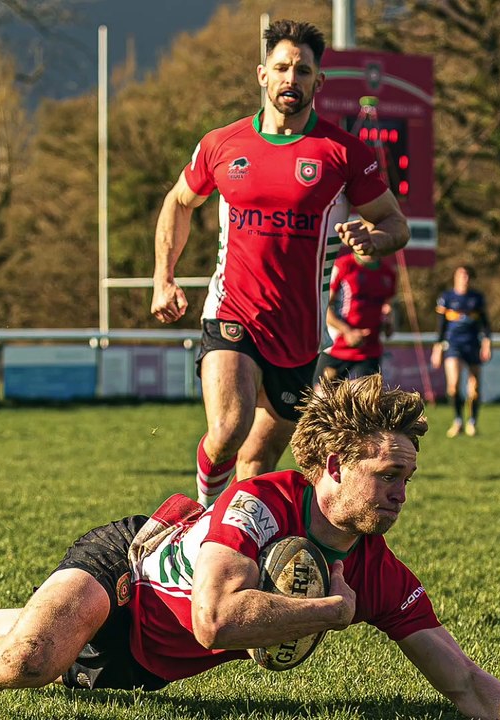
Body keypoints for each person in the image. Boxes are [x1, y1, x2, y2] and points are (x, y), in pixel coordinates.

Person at [0, 375, 500, 720]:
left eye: (410, 475)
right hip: (127, 569)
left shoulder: (377, 570)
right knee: (30, 659)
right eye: (389, 473)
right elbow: (214, 620)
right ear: (334, 465)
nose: (403, 490)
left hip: (143, 661)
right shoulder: (261, 502)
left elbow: (469, 685)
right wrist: (331, 611)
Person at [150, 19, 410, 506]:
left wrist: (374, 240)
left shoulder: (344, 153)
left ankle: (240, 541)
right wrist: (163, 279)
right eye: (282, 68)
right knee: (228, 429)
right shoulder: (222, 144)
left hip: (300, 332)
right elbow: (179, 202)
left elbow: (396, 224)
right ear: (262, 76)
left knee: (258, 458)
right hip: (231, 311)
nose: (292, 79)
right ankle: (201, 526)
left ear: (319, 82)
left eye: (303, 70)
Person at [315, 250, 397, 384]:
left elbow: (388, 311)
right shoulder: (343, 265)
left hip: (369, 351)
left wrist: (388, 324)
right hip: (336, 348)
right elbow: (324, 308)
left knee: (366, 402)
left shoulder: (388, 273)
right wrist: (348, 332)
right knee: (319, 400)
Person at [430, 266, 491, 438]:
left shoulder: (476, 298)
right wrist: (437, 348)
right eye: (461, 275)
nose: (465, 278)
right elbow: (441, 326)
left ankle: (472, 422)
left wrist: (487, 343)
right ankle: (457, 420)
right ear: (455, 277)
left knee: (475, 387)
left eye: (467, 275)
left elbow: (485, 324)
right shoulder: (447, 298)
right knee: (453, 385)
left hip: (472, 344)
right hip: (453, 345)